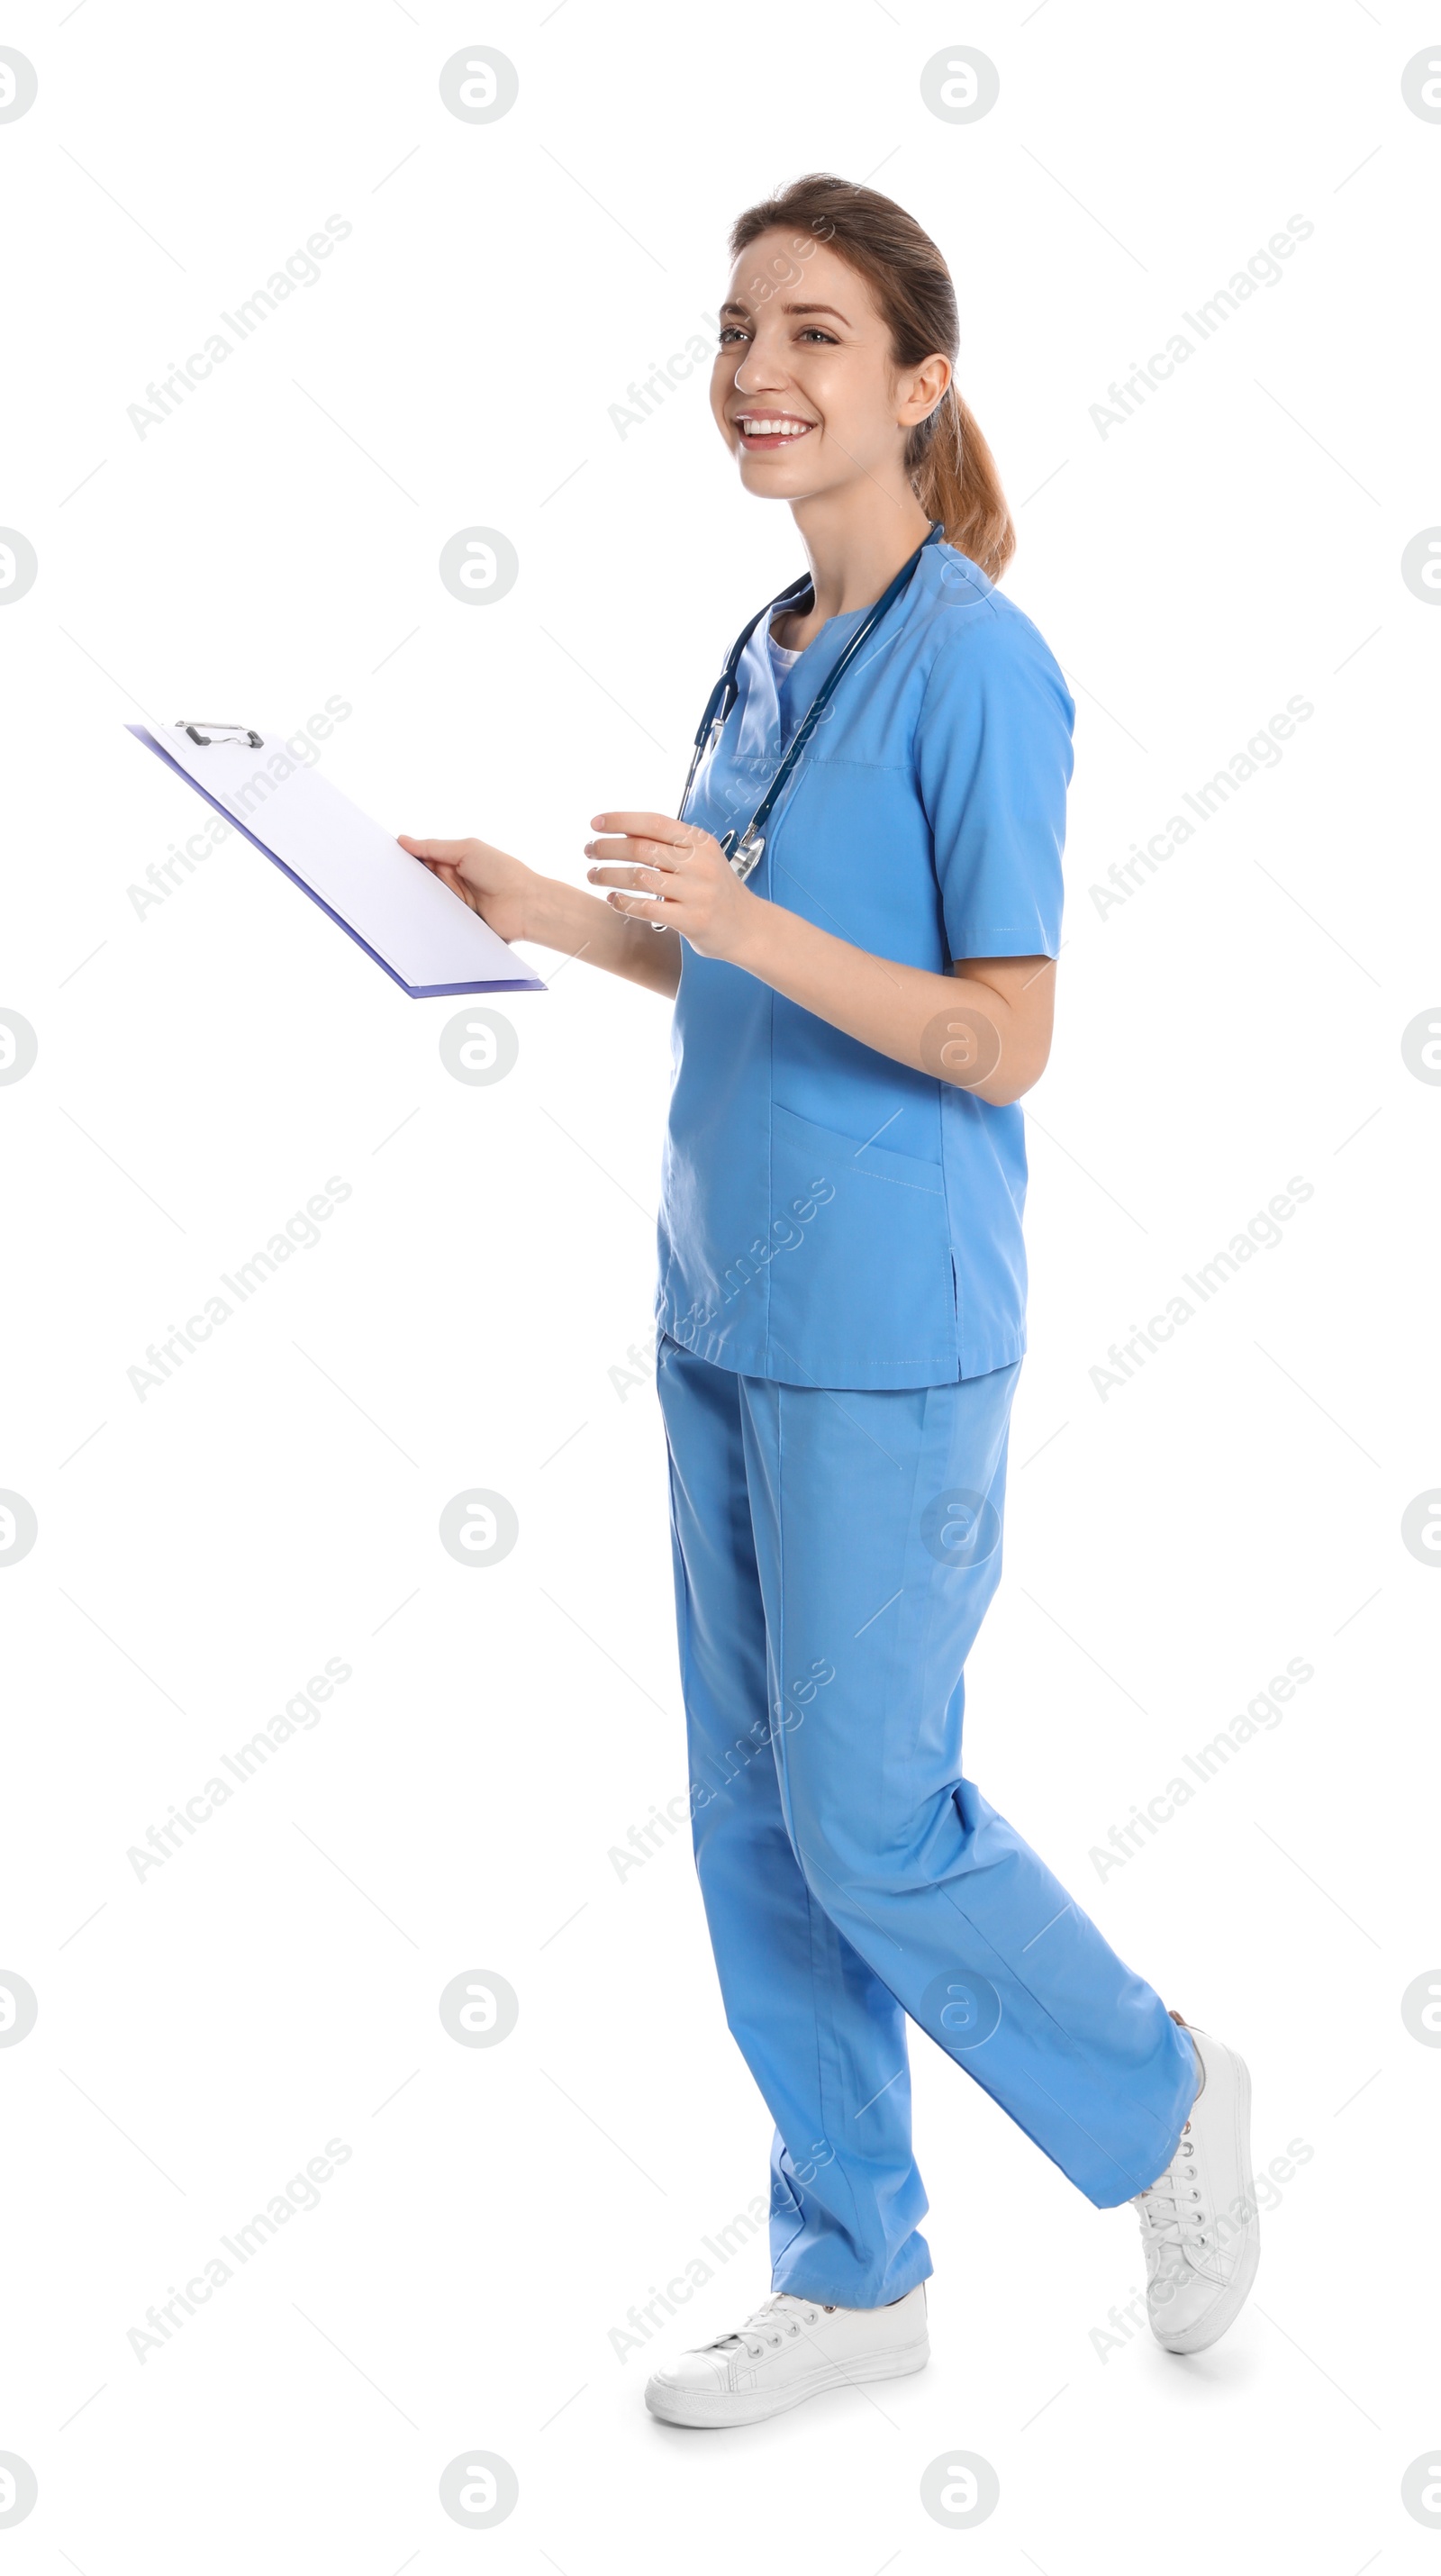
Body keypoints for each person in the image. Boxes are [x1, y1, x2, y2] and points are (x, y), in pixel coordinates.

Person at [400, 172, 1259, 2431]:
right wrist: (527, 903)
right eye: (729, 330)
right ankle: (849, 2261)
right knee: (749, 1815)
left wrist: (741, 924)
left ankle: (1156, 2090)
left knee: (869, 1812)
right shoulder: (766, 636)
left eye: (807, 333)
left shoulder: (981, 664)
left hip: (885, 1322)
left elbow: (1002, 1032)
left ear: (917, 379)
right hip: (715, 1296)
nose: (754, 373)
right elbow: (715, 948)